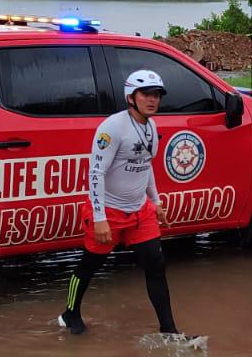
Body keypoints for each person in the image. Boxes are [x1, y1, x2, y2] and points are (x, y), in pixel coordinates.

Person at [57, 69, 181, 337]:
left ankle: (169, 331)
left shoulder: (150, 127)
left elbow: (146, 165)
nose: (153, 100)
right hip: (108, 211)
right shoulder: (112, 128)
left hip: (140, 211)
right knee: (90, 265)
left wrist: (156, 202)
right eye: (146, 94)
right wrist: (99, 217)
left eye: (157, 95)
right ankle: (70, 313)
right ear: (130, 97)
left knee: (156, 265)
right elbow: (96, 173)